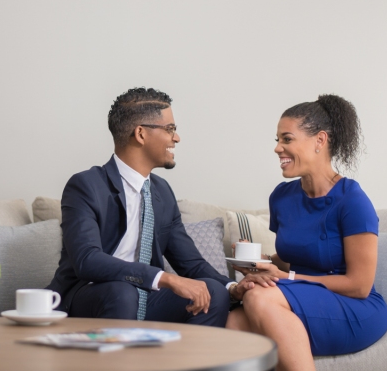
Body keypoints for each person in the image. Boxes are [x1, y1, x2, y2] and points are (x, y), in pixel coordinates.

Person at [47, 87, 271, 326]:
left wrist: (234, 287)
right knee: (121, 293)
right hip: (90, 296)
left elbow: (190, 263)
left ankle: (185, 364)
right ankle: (119, 363)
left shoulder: (161, 191)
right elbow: (87, 260)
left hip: (145, 295)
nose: (176, 138)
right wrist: (165, 279)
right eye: (170, 129)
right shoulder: (86, 185)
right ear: (141, 134)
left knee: (214, 293)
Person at [227, 94, 387, 371]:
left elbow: (359, 285)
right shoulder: (282, 197)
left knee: (258, 297)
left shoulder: (352, 200)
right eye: (277, 140)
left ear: (320, 141)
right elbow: (296, 257)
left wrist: (286, 279)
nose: (278, 148)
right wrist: (261, 262)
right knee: (232, 324)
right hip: (299, 294)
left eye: (287, 139)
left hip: (354, 307)